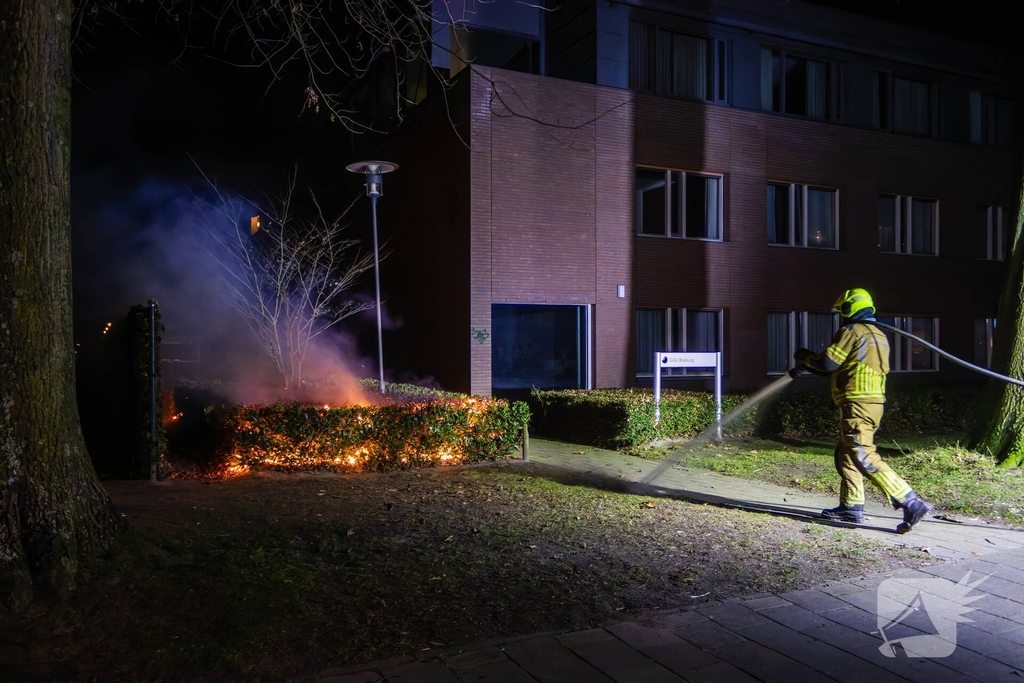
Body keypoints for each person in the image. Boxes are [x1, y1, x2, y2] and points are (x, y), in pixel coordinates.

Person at [791, 288, 933, 534]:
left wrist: (804, 357)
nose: (841, 316)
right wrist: (811, 365)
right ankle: (851, 506)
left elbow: (827, 363)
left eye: (842, 311)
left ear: (849, 308)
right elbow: (840, 366)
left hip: (858, 402)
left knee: (861, 452)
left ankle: (910, 501)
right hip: (873, 403)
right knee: (846, 453)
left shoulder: (852, 331)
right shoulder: (878, 335)